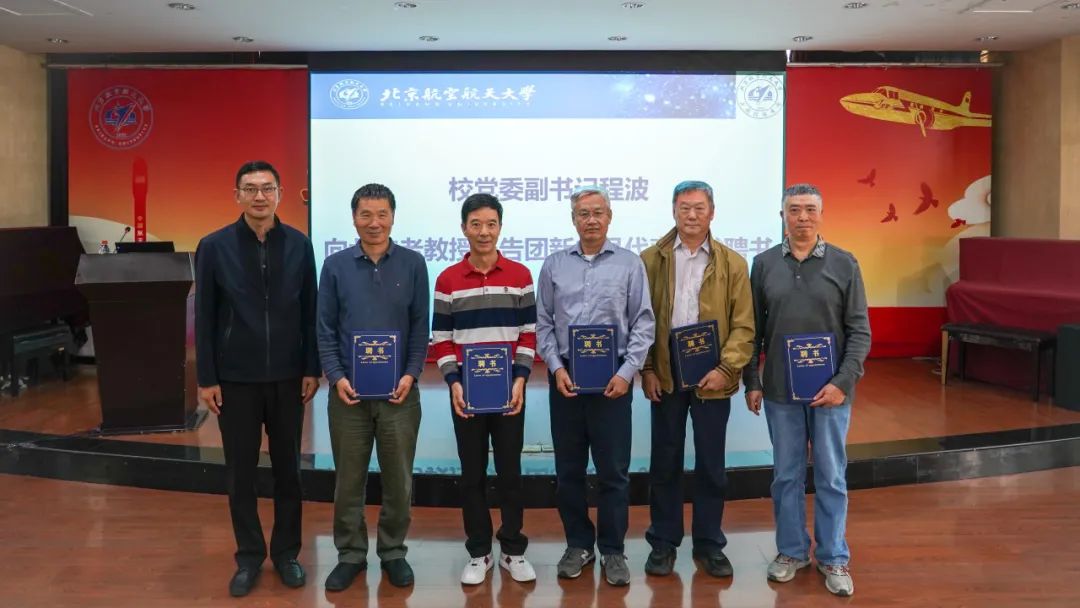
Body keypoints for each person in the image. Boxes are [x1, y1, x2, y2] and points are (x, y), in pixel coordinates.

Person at [194, 160, 320, 597]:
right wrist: (207, 377)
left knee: (289, 471)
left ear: (280, 194)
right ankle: (249, 557)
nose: (260, 196)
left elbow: (310, 311)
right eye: (250, 189)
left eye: (267, 188)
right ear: (237, 196)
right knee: (241, 474)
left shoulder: (299, 245)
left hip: (288, 378)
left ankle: (286, 554)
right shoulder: (214, 246)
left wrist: (311, 367)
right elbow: (205, 316)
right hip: (236, 380)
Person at [743, 183, 871, 597]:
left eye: (810, 209)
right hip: (781, 391)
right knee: (786, 475)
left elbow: (860, 332)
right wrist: (752, 380)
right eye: (794, 210)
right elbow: (753, 331)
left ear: (821, 214)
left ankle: (833, 556)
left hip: (831, 394)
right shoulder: (764, 264)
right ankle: (792, 551)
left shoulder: (845, 263)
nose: (802, 217)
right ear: (782, 215)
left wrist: (842, 383)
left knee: (831, 475)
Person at [535, 185, 656, 587]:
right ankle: (578, 544)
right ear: (573, 220)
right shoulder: (554, 265)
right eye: (583, 213)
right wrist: (556, 368)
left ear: (610, 217)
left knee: (613, 473)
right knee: (568, 471)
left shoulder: (629, 264)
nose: (591, 220)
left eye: (598, 212)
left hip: (613, 382)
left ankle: (613, 550)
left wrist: (627, 372)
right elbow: (544, 323)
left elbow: (643, 323)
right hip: (567, 380)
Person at [638, 180, 754, 578]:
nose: (691, 215)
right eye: (684, 207)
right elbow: (641, 321)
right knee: (664, 462)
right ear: (673, 211)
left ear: (712, 212)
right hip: (666, 374)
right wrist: (648, 368)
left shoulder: (733, 263)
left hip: (712, 375)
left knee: (711, 465)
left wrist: (726, 369)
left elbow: (744, 326)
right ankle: (663, 542)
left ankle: (708, 543)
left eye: (699, 208)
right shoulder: (650, 260)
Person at [317, 183, 430, 590]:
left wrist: (410, 374)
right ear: (353, 218)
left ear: (393, 217)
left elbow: (420, 326)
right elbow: (325, 328)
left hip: (400, 394)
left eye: (382, 214)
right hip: (348, 395)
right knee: (349, 480)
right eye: (365, 214)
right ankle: (350, 554)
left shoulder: (414, 263)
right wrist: (337, 376)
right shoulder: (335, 266)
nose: (374, 222)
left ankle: (393, 552)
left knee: (399, 479)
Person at [431, 193, 538, 585]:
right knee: (472, 474)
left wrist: (521, 378)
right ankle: (479, 552)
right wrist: (454, 383)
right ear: (464, 228)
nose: (484, 231)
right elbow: (442, 338)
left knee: (510, 472)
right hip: (467, 394)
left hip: (510, 392)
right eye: (475, 224)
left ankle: (512, 549)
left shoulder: (521, 275)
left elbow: (529, 334)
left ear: (500, 227)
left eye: (491, 224)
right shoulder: (447, 280)